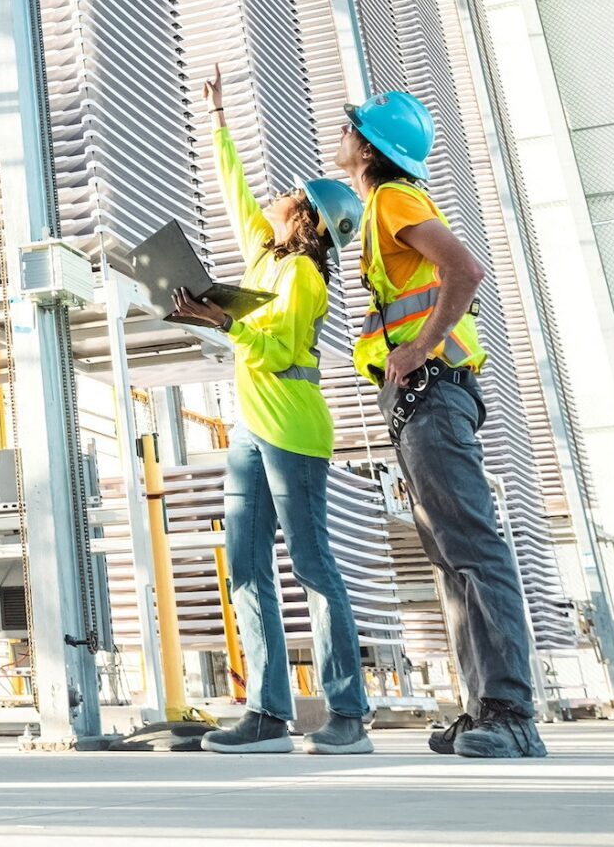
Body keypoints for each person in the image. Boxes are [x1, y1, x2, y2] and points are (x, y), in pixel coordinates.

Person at [170, 70, 375, 756]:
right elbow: (233, 195)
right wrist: (217, 118)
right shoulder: (265, 256)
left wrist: (220, 322)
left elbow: (279, 342)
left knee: (312, 564)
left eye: (295, 197)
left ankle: (348, 714)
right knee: (247, 566)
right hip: (253, 429)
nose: (282, 197)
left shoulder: (303, 277)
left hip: (292, 425)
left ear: (308, 221)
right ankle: (266, 713)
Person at [339, 90, 546, 760]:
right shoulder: (379, 210)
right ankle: (483, 705)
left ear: (368, 149)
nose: (343, 136)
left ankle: (512, 713)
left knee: (474, 550)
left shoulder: (393, 200)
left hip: (434, 392)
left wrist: (421, 347)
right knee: (453, 556)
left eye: (352, 130)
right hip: (420, 401)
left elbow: (465, 269)